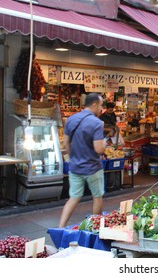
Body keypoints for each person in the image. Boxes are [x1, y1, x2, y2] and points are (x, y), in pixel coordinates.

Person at [59, 93, 106, 228]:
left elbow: (66, 143)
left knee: (73, 197)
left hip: (75, 167)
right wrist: (104, 144)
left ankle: (61, 227)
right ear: (94, 104)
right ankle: (95, 226)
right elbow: (98, 149)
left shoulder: (71, 119)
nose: (101, 108)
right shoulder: (96, 123)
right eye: (101, 105)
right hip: (93, 168)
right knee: (97, 197)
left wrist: (73, 157)